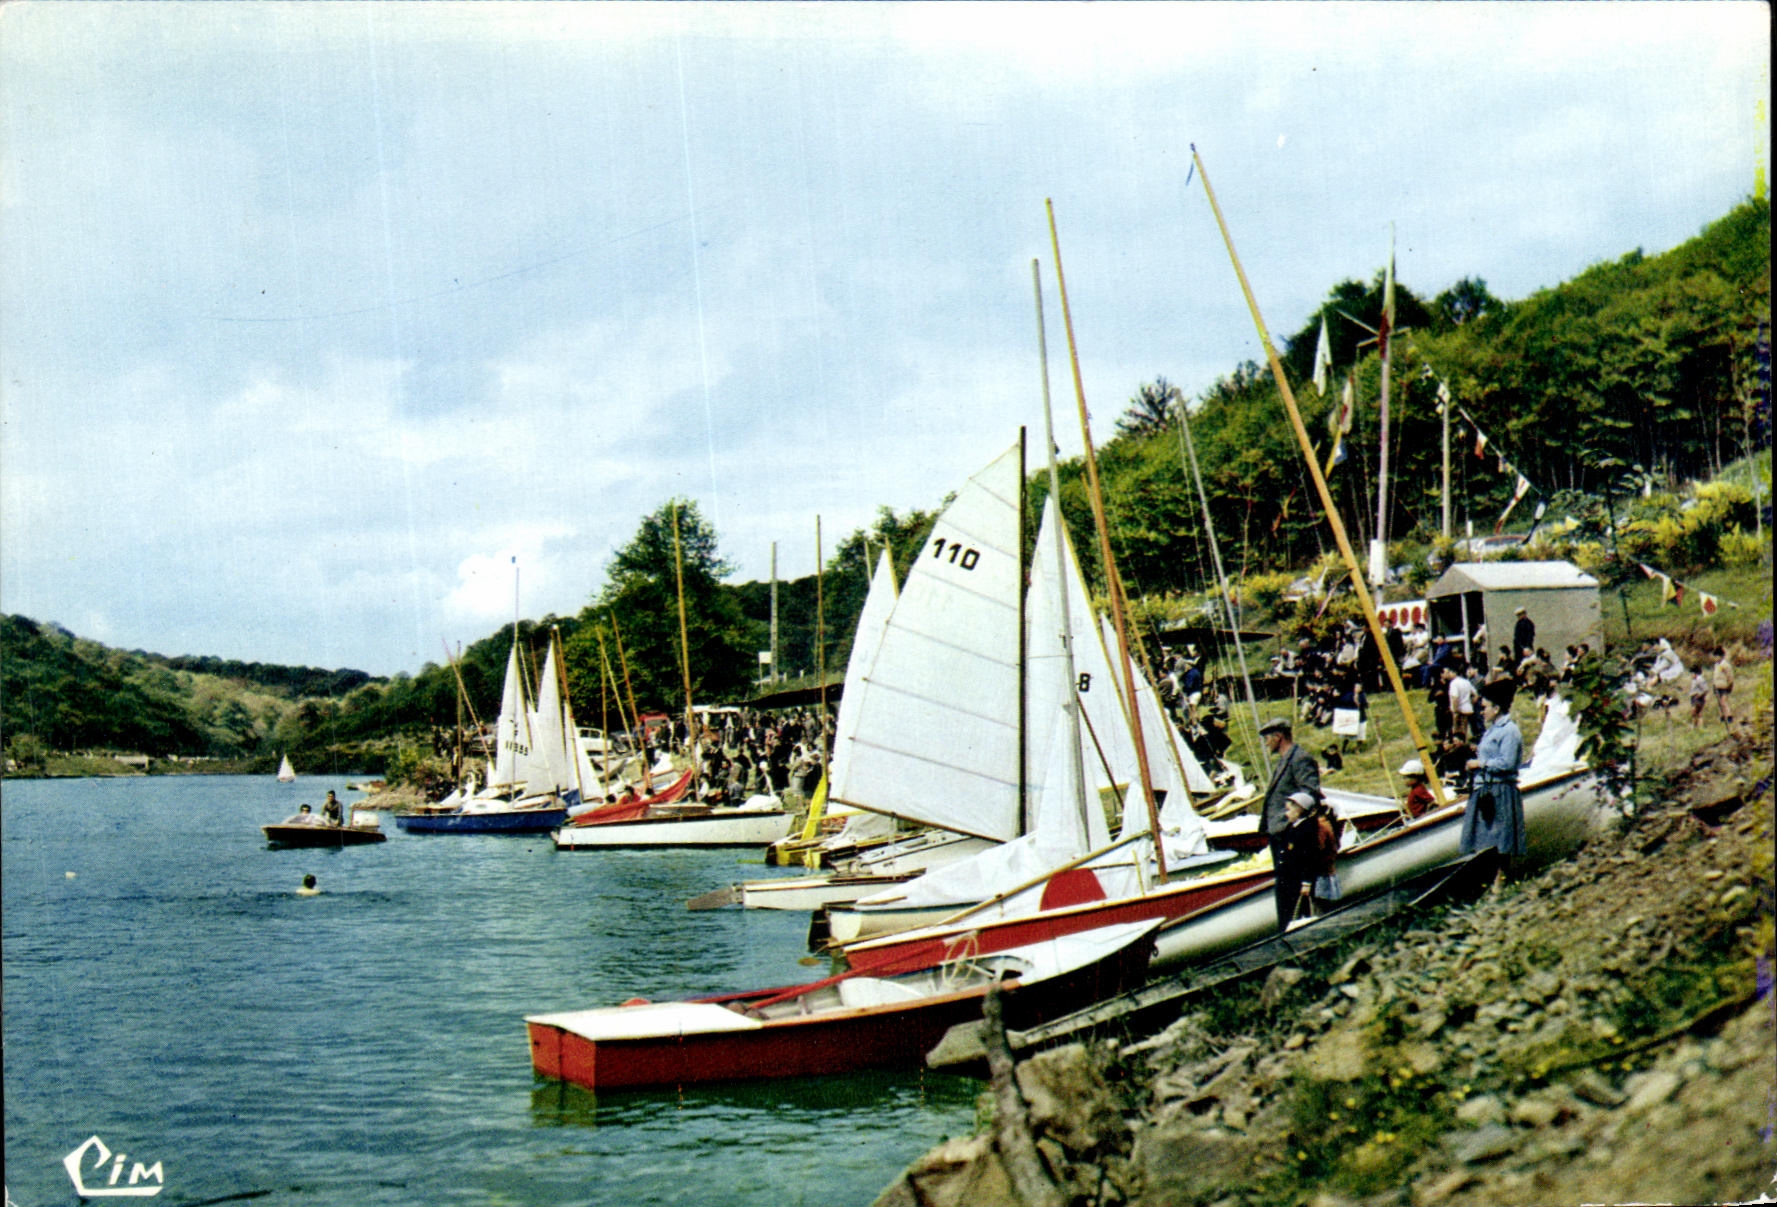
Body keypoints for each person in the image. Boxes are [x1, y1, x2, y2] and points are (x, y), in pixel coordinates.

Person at [1462, 679, 1526, 889]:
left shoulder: (1509, 731)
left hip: (1500, 790)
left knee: (1501, 838)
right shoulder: (1492, 730)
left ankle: (1501, 881)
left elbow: (1507, 763)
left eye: (1484, 707)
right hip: (1487, 789)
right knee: (1487, 837)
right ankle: (1490, 881)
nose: (1481, 711)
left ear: (1497, 708)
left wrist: (1480, 763)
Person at [1259, 717, 1322, 932]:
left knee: (1292, 885)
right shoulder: (1286, 759)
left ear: (1279, 736)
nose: (1266, 742)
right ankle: (1287, 927)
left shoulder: (1300, 759)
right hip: (1280, 833)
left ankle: (1296, 927)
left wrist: (1291, 822)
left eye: (1268, 738)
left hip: (1290, 833)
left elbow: (1310, 792)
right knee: (1284, 885)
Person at [1275, 791, 1323, 928]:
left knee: (1300, 913)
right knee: (1288, 913)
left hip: (1298, 881)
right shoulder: (1293, 828)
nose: (1286, 814)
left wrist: (1306, 882)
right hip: (1289, 880)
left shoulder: (1307, 829)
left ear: (1300, 809)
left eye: (1289, 810)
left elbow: (1310, 857)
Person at [1711, 649, 1735, 722]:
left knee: (1724, 701)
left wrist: (1730, 686)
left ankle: (1729, 716)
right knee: (1720, 703)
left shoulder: (1725, 665)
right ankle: (1722, 716)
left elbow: (1730, 676)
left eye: (1717, 656)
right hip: (1717, 686)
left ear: (1721, 656)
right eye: (1714, 657)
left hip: (1724, 686)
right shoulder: (1716, 665)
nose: (1715, 658)